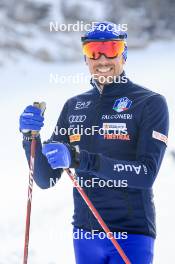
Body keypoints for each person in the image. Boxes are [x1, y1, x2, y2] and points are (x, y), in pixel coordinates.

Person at [19, 22, 169, 264]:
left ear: (124, 54)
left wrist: (79, 159)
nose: (102, 59)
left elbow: (145, 174)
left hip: (131, 234)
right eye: (93, 51)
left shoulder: (150, 103)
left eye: (111, 49)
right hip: (85, 233)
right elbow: (46, 178)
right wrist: (30, 138)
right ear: (85, 58)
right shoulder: (74, 106)